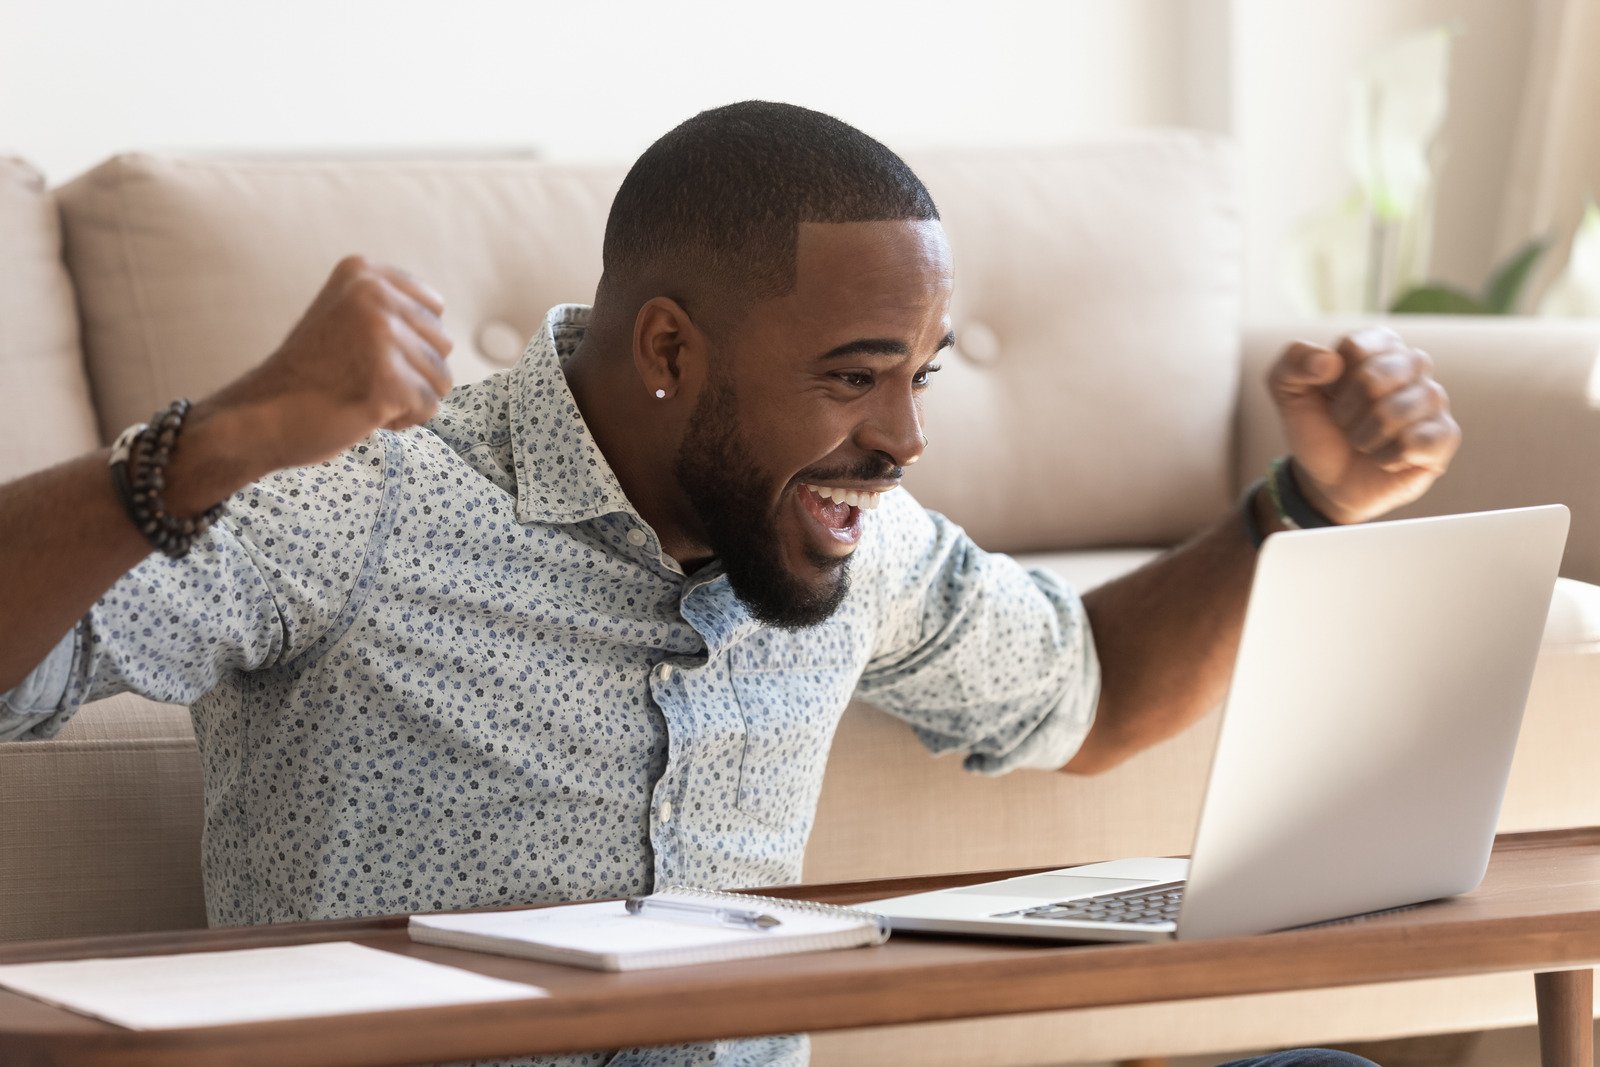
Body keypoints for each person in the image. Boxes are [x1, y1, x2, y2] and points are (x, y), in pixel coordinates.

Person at [0, 102, 1450, 1067]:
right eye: (852, 379)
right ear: (673, 353)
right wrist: (215, 446)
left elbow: (1098, 686)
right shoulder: (367, 501)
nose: (904, 438)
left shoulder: (852, 537)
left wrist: (1305, 502)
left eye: (919, 375)